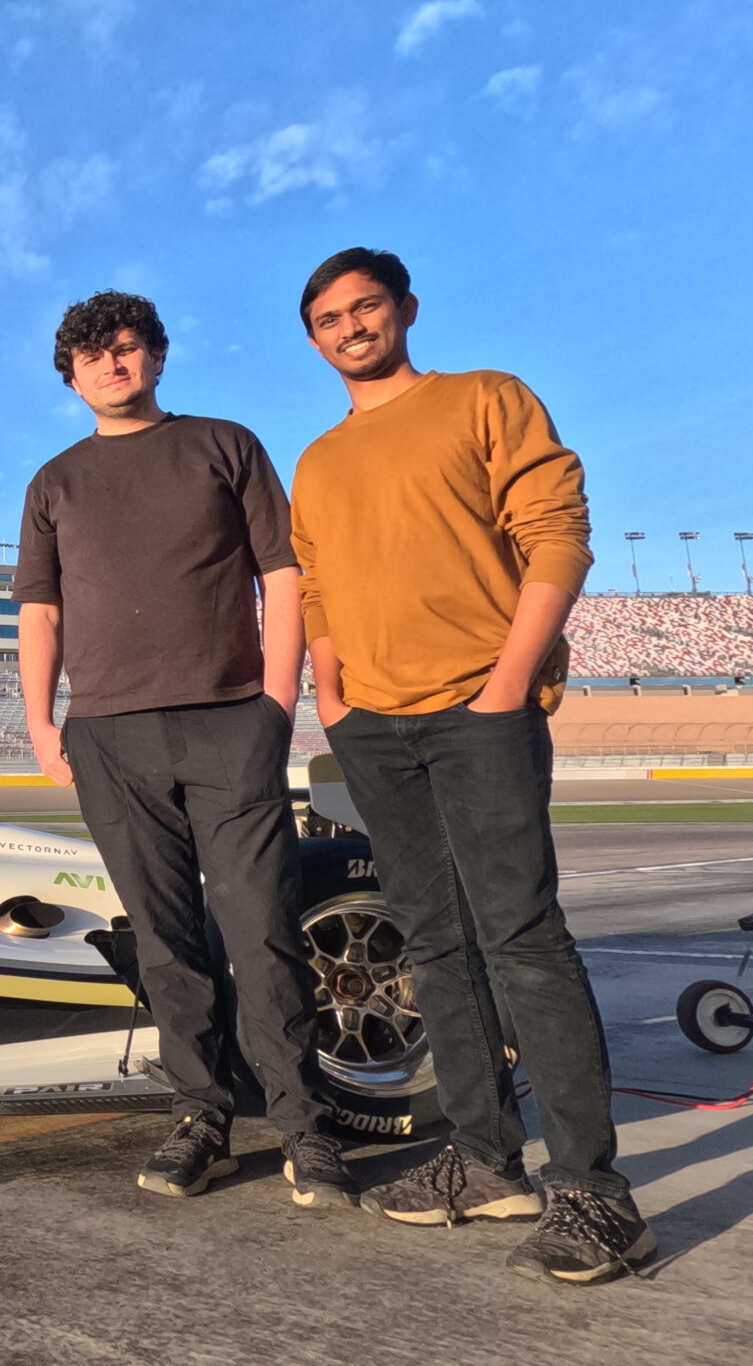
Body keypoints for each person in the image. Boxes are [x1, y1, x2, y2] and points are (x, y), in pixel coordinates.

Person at [290, 248, 651, 1285]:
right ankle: (486, 1161)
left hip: (477, 710)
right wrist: (331, 688)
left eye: (365, 307)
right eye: (328, 318)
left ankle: (594, 1191)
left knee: (522, 939)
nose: (351, 327)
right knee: (435, 946)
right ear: (313, 339)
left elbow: (557, 537)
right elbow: (315, 583)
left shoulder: (484, 399)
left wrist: (505, 681)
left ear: (403, 309)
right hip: (374, 724)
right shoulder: (316, 460)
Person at [14, 290, 355, 1209]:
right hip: (109, 734)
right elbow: (39, 612)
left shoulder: (224, 444)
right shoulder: (54, 481)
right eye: (93, 355)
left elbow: (282, 573)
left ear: (157, 356)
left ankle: (304, 1125)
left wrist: (277, 702)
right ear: (71, 375)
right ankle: (203, 1115)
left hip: (227, 721)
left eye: (127, 348)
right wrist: (44, 723)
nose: (112, 364)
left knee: (262, 929)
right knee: (166, 943)